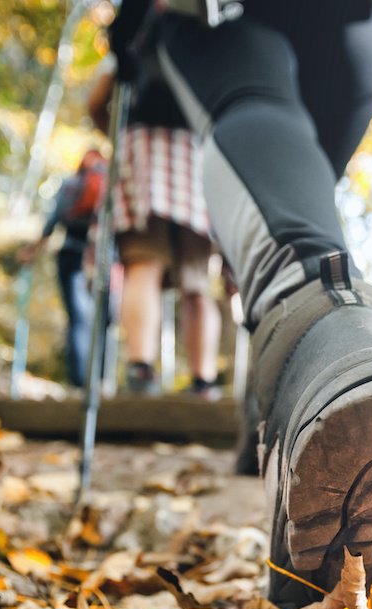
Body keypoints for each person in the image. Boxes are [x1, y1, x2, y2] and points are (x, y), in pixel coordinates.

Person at [122, 0, 372, 609]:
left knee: (255, 109)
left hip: (222, 19)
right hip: (358, 34)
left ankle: (327, 335)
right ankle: (285, 400)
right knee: (293, 184)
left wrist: (128, 33)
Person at [90, 7, 222, 398]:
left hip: (142, 150)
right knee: (197, 279)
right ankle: (204, 380)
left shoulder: (136, 31)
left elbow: (97, 101)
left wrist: (119, 134)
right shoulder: (208, 36)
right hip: (197, 157)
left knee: (144, 263)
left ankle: (140, 368)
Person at [18, 149, 105, 388]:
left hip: (72, 254)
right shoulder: (112, 182)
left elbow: (52, 221)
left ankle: (79, 383)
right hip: (105, 259)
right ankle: (101, 381)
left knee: (78, 319)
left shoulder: (71, 183)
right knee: (102, 320)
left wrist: (31, 250)